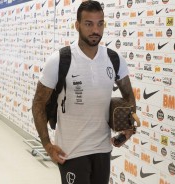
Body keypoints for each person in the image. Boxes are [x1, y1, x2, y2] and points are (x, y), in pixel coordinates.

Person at [32, 1, 136, 184]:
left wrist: (128, 127)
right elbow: (38, 103)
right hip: (71, 151)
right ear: (77, 25)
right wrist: (47, 145)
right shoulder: (59, 60)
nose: (95, 30)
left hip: (103, 150)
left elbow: (129, 96)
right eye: (89, 24)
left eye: (100, 23)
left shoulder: (114, 59)